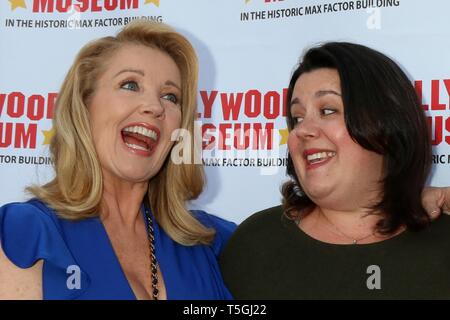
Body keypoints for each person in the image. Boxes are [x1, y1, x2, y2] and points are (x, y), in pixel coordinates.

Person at [0, 20, 236, 300]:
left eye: (170, 96)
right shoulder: (25, 234)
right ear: (84, 106)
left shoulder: (212, 241)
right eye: (130, 84)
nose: (155, 107)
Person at [220, 42, 450, 299]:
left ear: (387, 124)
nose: (303, 130)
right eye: (297, 117)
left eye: (327, 110)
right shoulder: (254, 244)